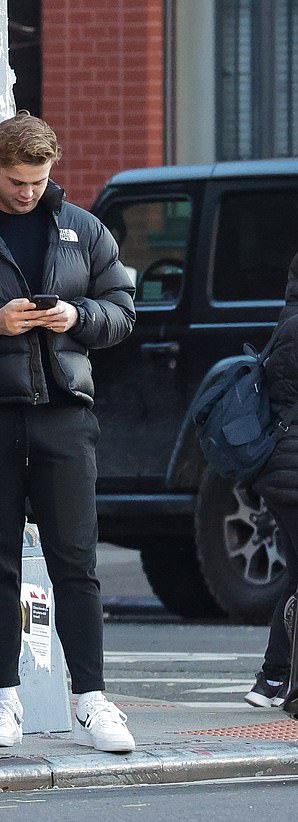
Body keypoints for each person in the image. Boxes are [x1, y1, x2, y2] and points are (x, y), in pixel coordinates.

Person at [0, 111, 137, 752]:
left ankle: (91, 700)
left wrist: (77, 314)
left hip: (64, 413)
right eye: (17, 180)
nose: (28, 192)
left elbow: (124, 312)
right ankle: (2, 699)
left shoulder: (83, 228)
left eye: (39, 180)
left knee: (76, 561)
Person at [245, 251, 298, 711]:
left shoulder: (288, 324)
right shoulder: (295, 330)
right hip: (290, 474)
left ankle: (273, 678)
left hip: (283, 472)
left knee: (294, 574)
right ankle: (278, 678)